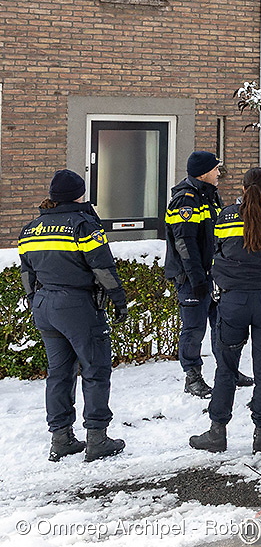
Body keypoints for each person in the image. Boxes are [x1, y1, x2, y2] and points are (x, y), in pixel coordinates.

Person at [18, 169, 128, 462]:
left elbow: (26, 273)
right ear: (78, 194)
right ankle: (97, 439)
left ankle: (62, 438)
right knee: (95, 369)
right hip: (78, 306)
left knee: (59, 373)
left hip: (45, 306)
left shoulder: (32, 228)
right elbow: (103, 267)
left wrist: (35, 301)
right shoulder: (83, 225)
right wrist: (119, 300)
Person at [190, 167, 261, 454]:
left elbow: (218, 251)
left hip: (233, 301)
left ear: (243, 187)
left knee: (226, 368)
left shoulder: (224, 217)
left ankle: (217, 432)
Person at [165, 150, 251, 397]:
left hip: (214, 274)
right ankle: (192, 377)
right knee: (193, 330)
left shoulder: (210, 196)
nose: (218, 173)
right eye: (215, 169)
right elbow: (184, 244)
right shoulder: (185, 200)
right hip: (192, 278)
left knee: (222, 326)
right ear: (204, 172)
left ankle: (228, 371)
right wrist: (197, 279)